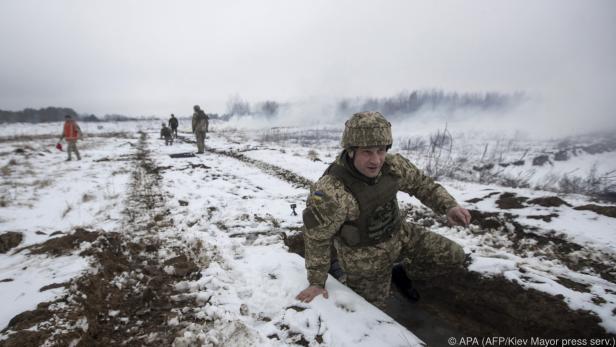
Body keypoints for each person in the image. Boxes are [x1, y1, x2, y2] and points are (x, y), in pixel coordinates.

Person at [295, 111, 471, 309]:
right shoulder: (332, 191)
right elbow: (316, 237)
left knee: (454, 255)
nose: (376, 160)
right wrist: (317, 282)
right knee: (372, 311)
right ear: (351, 151)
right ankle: (344, 276)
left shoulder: (393, 166)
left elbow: (422, 184)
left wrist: (449, 206)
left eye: (381, 150)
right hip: (364, 258)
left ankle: (400, 273)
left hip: (400, 234)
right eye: (367, 152)